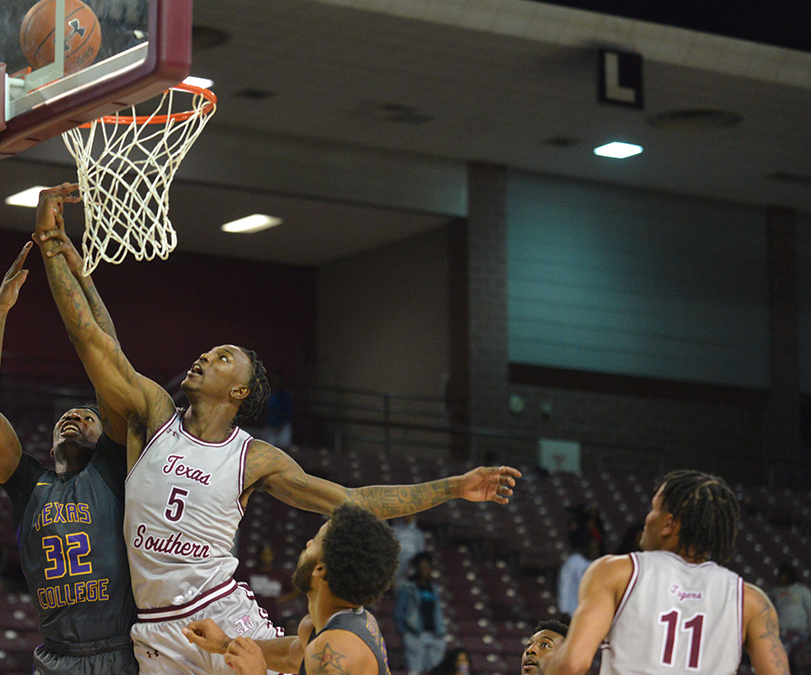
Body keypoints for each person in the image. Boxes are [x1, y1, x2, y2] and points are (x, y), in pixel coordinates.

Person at [32, 183, 521, 675]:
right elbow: (95, 343)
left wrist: (454, 487)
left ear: (239, 393)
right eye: (209, 351)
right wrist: (59, 256)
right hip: (155, 630)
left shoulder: (253, 458)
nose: (204, 356)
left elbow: (353, 502)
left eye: (224, 358)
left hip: (223, 619)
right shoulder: (154, 415)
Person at [0, 241, 138, 674]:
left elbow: (110, 363)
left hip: (117, 651)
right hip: (55, 656)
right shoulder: (28, 486)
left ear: (106, 436)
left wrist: (84, 279)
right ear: (48, 444)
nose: (74, 417)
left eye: (88, 416)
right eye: (67, 415)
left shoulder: (112, 467)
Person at [544, 470, 790, 675]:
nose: (647, 518)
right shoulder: (751, 601)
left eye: (653, 509)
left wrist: (548, 662)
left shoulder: (615, 572)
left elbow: (572, 664)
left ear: (669, 524)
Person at [184, 503, 400, 675]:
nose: (307, 544)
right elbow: (290, 657)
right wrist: (225, 644)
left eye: (314, 542)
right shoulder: (321, 628)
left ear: (320, 569)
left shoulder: (334, 652)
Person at [394, 552, 447, 675]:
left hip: (434, 634)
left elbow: (437, 611)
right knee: (415, 670)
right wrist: (405, 632)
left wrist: (441, 631)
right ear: (416, 568)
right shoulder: (407, 587)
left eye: (427, 566)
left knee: (435, 670)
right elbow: (398, 612)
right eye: (421, 566)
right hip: (415, 633)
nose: (424, 570)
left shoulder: (433, 588)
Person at [235, 542, 301, 627]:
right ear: (258, 555)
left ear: (273, 556)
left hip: (272, 616)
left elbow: (295, 589)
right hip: (251, 615)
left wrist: (282, 599)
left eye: (268, 555)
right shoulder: (248, 573)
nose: (265, 558)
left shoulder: (279, 575)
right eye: (263, 554)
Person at [770, 563, 811, 664]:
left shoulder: (802, 591)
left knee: (787, 652)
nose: (780, 577)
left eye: (782, 575)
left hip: (800, 632)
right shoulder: (775, 592)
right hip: (782, 633)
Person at [557, 528, 596, 618]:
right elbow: (564, 584)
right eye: (592, 547)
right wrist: (564, 609)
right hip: (573, 611)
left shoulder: (597, 563)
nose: (594, 550)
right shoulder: (573, 561)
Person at [392, 513, 427, 586]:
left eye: (410, 515)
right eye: (406, 515)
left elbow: (421, 553)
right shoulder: (394, 530)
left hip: (411, 566)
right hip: (396, 564)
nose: (408, 517)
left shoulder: (418, 534)